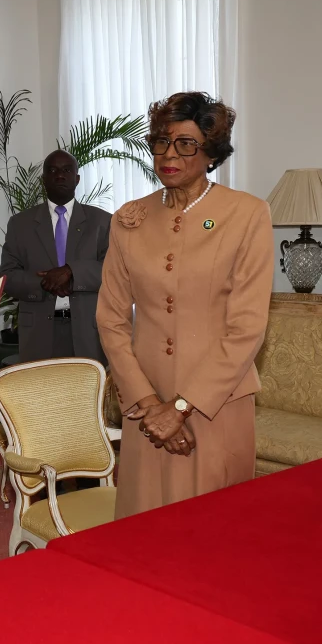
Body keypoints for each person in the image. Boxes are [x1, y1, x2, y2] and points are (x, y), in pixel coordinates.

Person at [97, 91, 274, 519]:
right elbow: (111, 320)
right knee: (144, 523)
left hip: (216, 403)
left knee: (213, 528)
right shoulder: (129, 219)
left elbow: (247, 328)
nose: (169, 154)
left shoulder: (247, 214)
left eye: (186, 144)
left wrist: (180, 408)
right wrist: (149, 404)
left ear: (211, 153)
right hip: (146, 406)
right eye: (161, 141)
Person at [0, 150, 112, 363]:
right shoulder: (20, 224)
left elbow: (113, 270)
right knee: (42, 386)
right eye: (52, 170)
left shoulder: (102, 221)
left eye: (66, 170)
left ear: (77, 179)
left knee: (87, 386)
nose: (59, 175)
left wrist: (71, 273)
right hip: (38, 334)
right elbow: (6, 276)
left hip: (88, 332)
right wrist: (46, 282)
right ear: (44, 179)